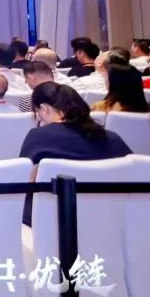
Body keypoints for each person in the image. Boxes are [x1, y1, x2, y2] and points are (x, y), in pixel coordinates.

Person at [19, 83, 131, 224]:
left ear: (44, 109)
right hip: (109, 220)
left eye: (37, 113)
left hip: (50, 221)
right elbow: (134, 176)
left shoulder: (38, 136)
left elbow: (23, 181)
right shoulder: (112, 138)